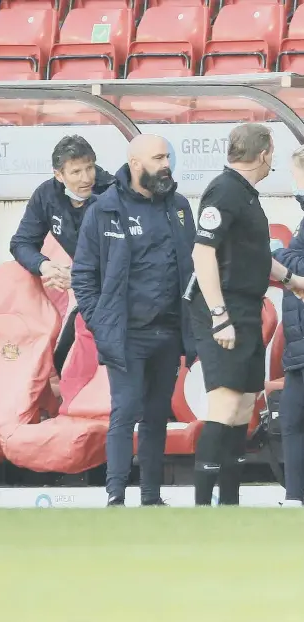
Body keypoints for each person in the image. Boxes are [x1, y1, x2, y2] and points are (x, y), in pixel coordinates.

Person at [71, 133, 196, 506]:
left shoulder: (179, 207)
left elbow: (192, 267)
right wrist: (100, 320)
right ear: (136, 163)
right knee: (124, 412)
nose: (166, 164)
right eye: (158, 157)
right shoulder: (104, 209)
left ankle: (152, 497)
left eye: (168, 156)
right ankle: (115, 496)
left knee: (157, 416)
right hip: (126, 334)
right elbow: (83, 275)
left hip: (169, 332)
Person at [188, 123, 304, 506]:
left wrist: (292, 280)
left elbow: (255, 253)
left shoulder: (246, 195)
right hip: (222, 308)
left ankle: (230, 505)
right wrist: (219, 314)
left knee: (242, 405)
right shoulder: (224, 191)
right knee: (223, 402)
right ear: (266, 152)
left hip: (246, 308)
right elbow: (203, 252)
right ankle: (202, 507)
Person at [10, 135, 114, 375]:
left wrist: (78, 278)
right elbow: (21, 242)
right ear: (59, 175)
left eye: (90, 168)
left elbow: (127, 260)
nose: (86, 178)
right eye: (76, 172)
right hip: (88, 293)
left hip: (121, 296)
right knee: (59, 364)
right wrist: (44, 266)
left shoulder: (114, 194)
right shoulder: (46, 195)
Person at [273, 145, 304, 508]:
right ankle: (295, 496)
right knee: (293, 421)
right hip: (298, 344)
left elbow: (288, 258)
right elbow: (287, 256)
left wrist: (290, 264)